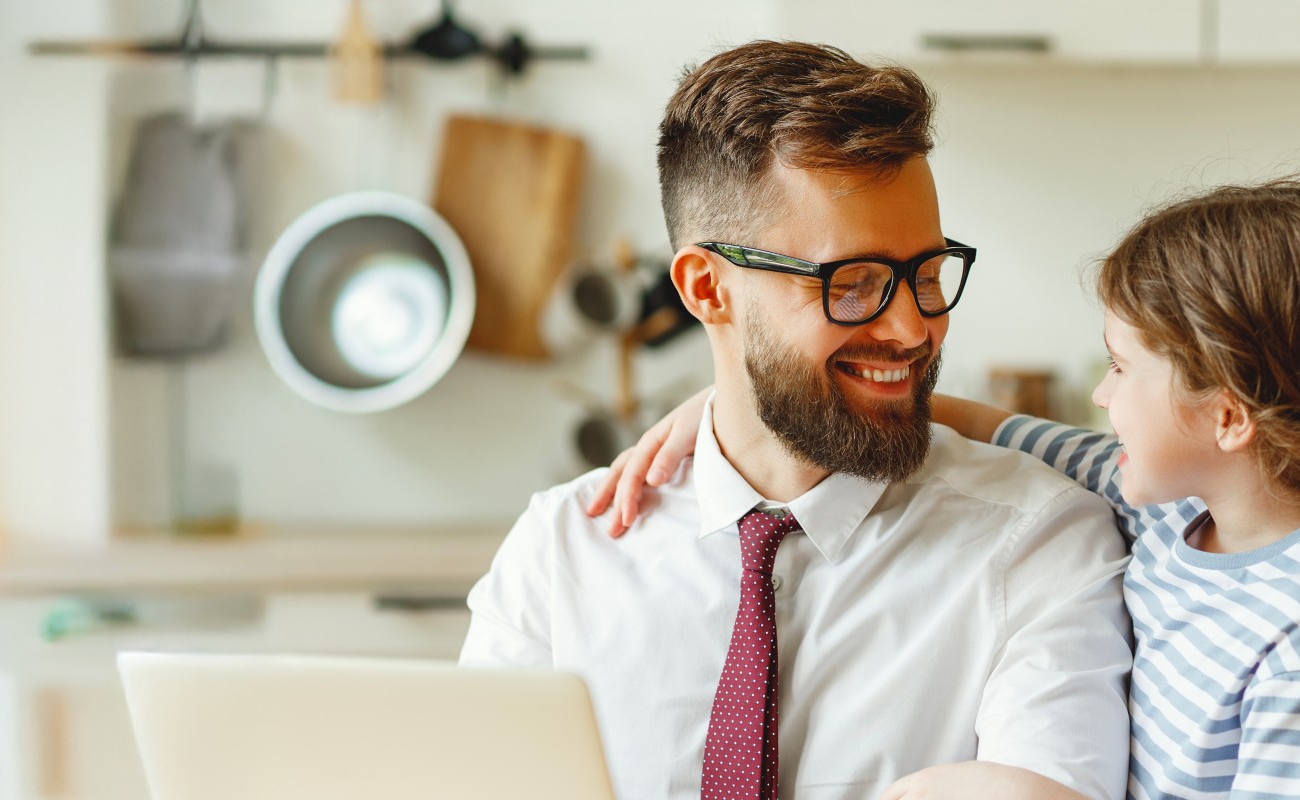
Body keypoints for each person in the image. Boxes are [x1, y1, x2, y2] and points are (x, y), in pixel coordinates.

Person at [597, 177, 1300, 799]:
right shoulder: (1178, 503)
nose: (1101, 398)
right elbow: (987, 425)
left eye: (1119, 369)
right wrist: (735, 405)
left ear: (1226, 418)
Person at [458, 41, 1131, 800]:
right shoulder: (562, 553)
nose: (913, 330)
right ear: (707, 289)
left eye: (928, 274)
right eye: (855, 283)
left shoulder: (1036, 546)